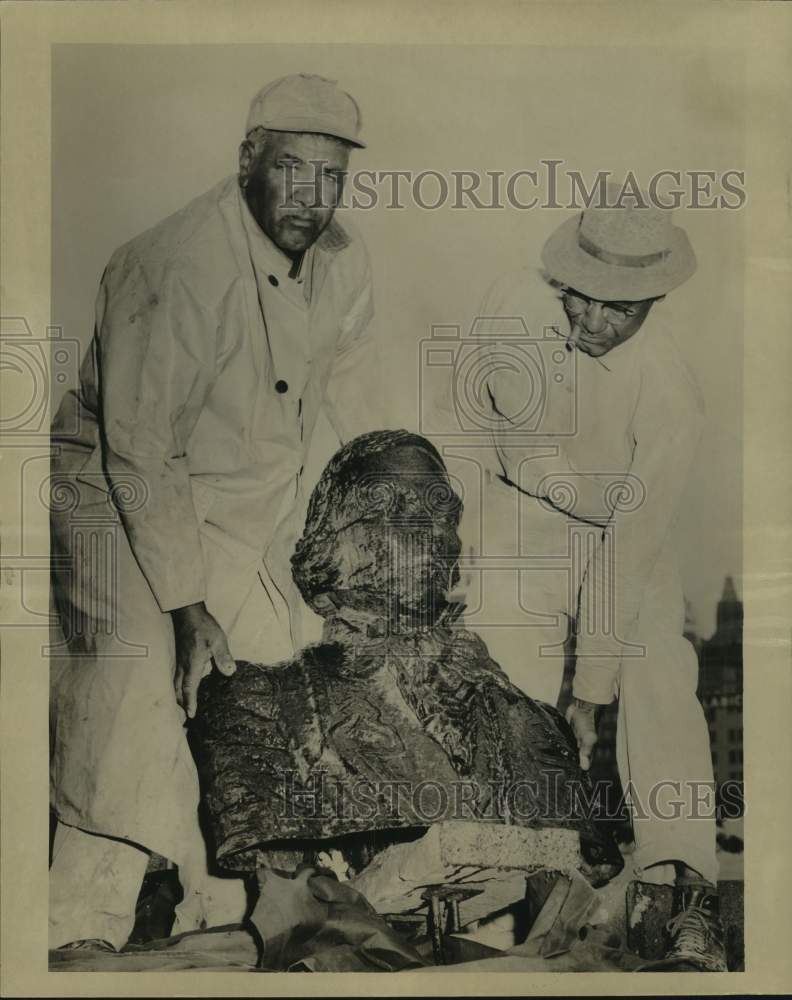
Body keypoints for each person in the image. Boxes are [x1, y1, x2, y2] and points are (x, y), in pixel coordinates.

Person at [49, 73, 381, 952]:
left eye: (332, 177)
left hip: (242, 497)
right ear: (248, 161)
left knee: (259, 682)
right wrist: (190, 608)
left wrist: (352, 540)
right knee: (136, 679)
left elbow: (341, 413)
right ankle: (80, 919)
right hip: (115, 489)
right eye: (292, 169)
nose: (312, 198)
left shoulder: (345, 263)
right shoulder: (173, 264)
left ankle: (221, 917)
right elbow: (141, 450)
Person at [461, 188, 726, 970]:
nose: (595, 319)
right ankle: (495, 887)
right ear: (563, 274)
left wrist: (595, 684)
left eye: (622, 308)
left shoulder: (672, 390)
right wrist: (581, 494)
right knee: (504, 673)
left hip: (631, 540)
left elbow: (633, 541)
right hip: (527, 518)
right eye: (585, 296)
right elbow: (519, 450)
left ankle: (684, 887)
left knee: (659, 672)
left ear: (656, 297)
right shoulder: (510, 307)